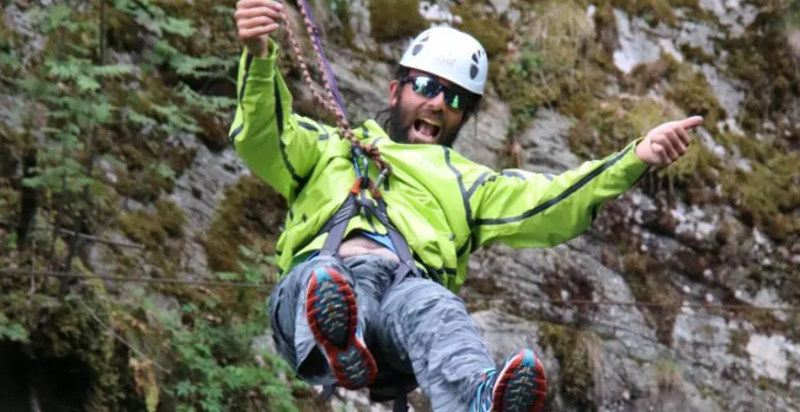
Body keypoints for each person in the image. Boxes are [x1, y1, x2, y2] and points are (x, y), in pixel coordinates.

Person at [229, 1, 703, 411]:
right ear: (395, 91)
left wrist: (634, 158)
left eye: (454, 98)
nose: (438, 103)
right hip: (315, 288)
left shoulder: (469, 184)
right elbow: (264, 134)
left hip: (401, 303)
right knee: (323, 280)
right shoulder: (327, 147)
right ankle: (340, 340)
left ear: (463, 116)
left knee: (436, 305)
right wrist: (258, 55)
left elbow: (552, 201)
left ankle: (476, 398)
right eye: (425, 86)